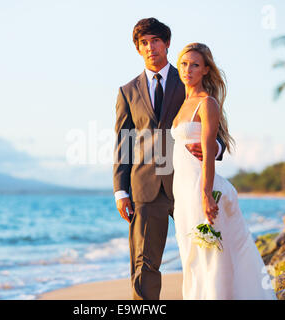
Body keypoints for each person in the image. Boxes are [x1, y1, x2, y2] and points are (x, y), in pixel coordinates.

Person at [113, 18, 226, 300]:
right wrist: (120, 190)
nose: (150, 47)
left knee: (203, 251)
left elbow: (211, 123)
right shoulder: (127, 92)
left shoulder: (187, 76)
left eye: (155, 41)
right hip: (145, 187)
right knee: (144, 263)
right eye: (144, 43)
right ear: (138, 49)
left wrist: (217, 148)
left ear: (167, 44)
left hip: (188, 182)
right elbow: (123, 143)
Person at [171, 42, 276, 299]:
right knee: (192, 256)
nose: (188, 70)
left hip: (200, 188)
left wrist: (206, 194)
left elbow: (208, 154)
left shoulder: (206, 104)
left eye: (195, 65)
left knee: (210, 257)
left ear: (206, 69)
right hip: (182, 194)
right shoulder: (181, 103)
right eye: (184, 64)